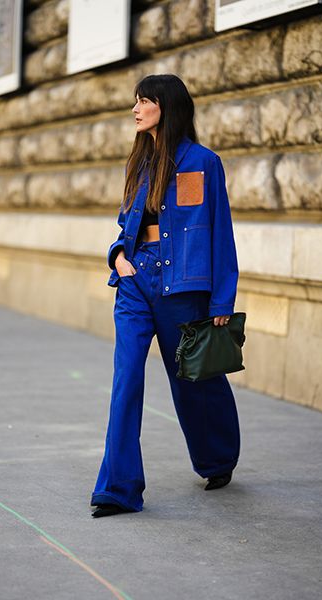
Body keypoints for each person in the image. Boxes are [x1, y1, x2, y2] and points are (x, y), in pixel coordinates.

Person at [91, 74, 240, 518]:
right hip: (136, 280)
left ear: (167, 107)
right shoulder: (138, 163)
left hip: (184, 288)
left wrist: (221, 301)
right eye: (135, 101)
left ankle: (217, 459)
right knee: (126, 380)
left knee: (194, 380)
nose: (136, 109)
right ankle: (117, 489)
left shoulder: (203, 163)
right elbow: (126, 226)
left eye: (144, 101)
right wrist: (118, 256)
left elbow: (220, 234)